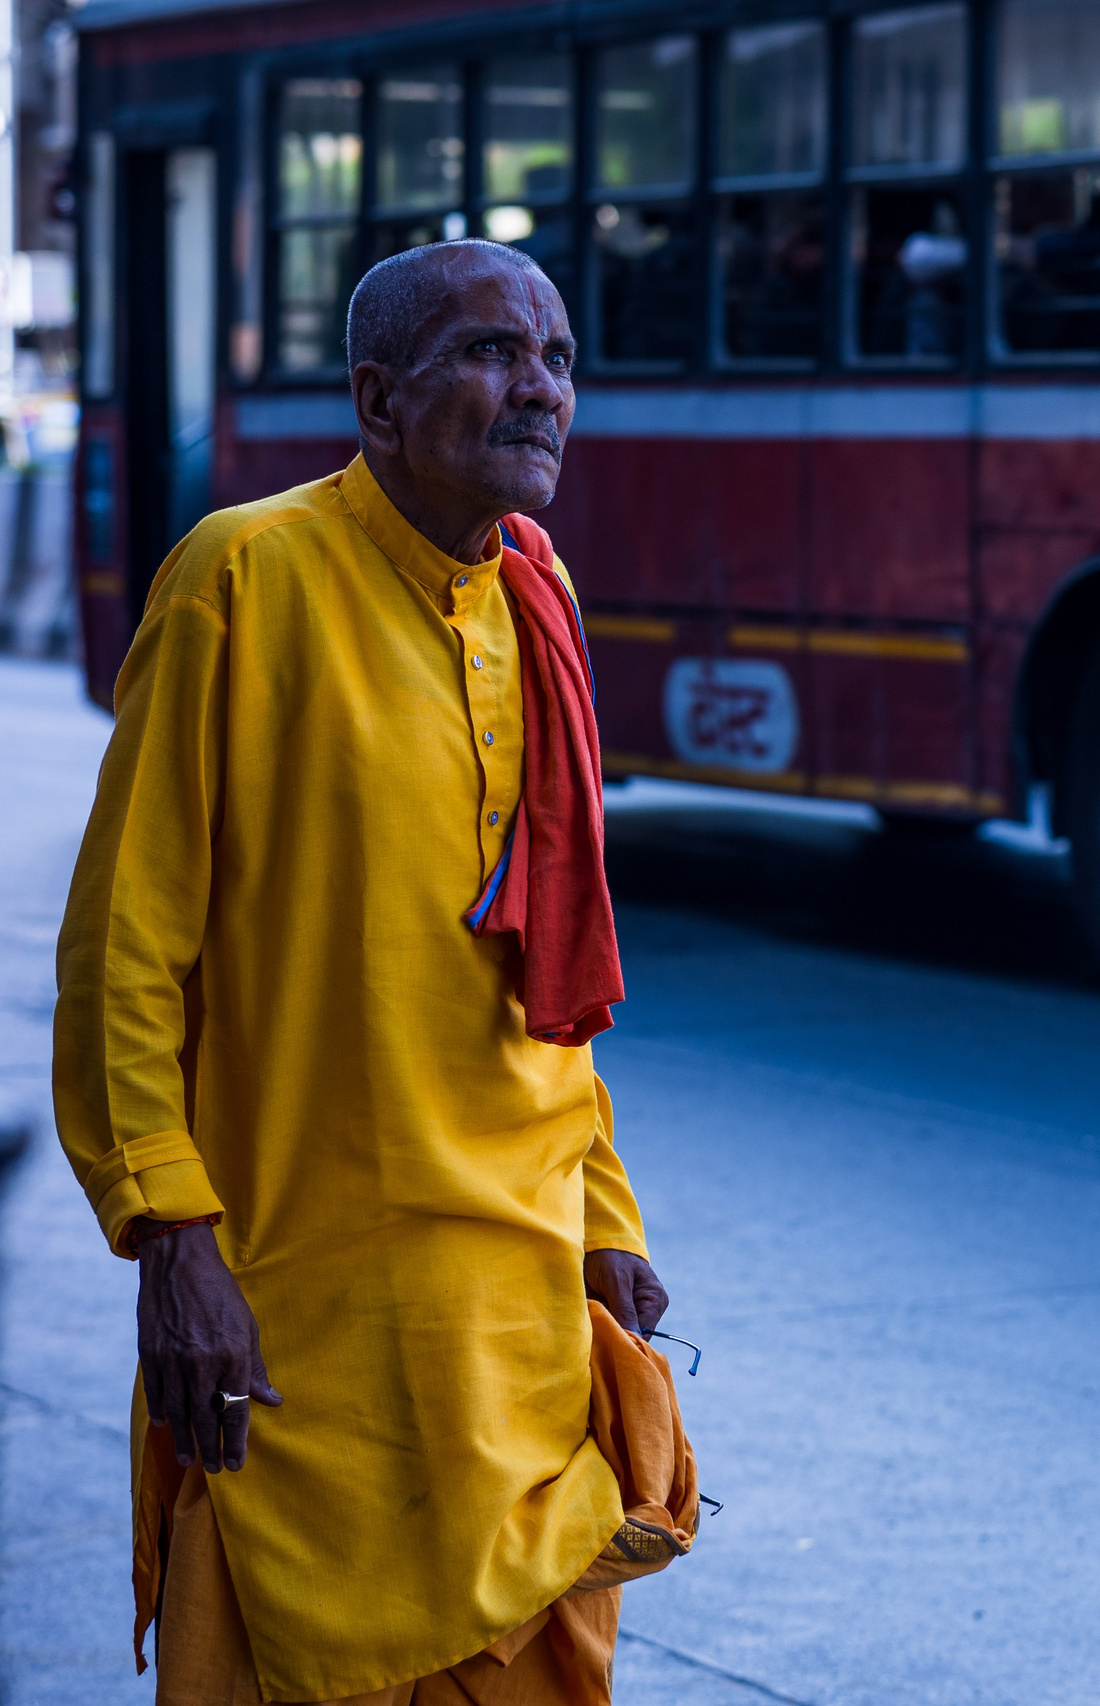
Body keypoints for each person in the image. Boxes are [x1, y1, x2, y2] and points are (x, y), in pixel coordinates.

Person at [54, 238, 695, 1704]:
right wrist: (175, 1241)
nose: (538, 389)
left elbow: (552, 967)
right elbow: (123, 952)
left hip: (515, 1321)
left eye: (558, 359)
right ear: (377, 398)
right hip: (304, 1313)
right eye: (489, 352)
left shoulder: (538, 598)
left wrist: (604, 1211)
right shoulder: (242, 577)